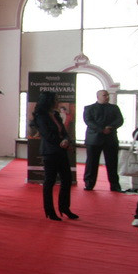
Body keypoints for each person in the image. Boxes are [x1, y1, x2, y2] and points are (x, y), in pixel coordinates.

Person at [31, 91, 79, 221]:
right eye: (56, 99)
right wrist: (60, 142)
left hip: (61, 150)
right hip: (50, 151)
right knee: (50, 181)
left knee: (67, 179)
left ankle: (64, 208)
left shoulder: (56, 115)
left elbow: (63, 131)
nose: (58, 101)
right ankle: (50, 211)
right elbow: (46, 134)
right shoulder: (41, 116)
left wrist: (66, 139)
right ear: (49, 101)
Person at [83, 90, 124, 191]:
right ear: (98, 96)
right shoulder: (89, 108)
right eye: (104, 95)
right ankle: (89, 184)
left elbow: (120, 120)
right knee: (92, 163)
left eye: (107, 95)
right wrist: (102, 130)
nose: (107, 97)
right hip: (94, 139)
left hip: (110, 138)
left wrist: (110, 127)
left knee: (112, 163)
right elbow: (88, 121)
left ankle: (115, 185)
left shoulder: (114, 108)